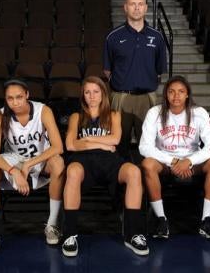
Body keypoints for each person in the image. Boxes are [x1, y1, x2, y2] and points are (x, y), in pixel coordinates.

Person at [0, 78, 64, 262]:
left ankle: (52, 225)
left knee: (59, 163)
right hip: (13, 159)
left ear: (27, 95)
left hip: (39, 158)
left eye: (19, 97)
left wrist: (29, 165)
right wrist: (14, 171)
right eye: (10, 98)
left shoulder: (43, 111)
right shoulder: (0, 116)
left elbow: (58, 147)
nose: (15, 102)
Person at [62, 76, 149, 257]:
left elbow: (115, 139)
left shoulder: (114, 115)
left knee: (133, 172)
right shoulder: (76, 117)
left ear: (103, 94)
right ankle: (69, 234)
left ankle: (133, 234)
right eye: (87, 92)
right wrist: (101, 144)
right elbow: (70, 145)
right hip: (83, 161)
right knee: (72, 171)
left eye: (96, 92)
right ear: (82, 95)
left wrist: (85, 139)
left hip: (109, 162)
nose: (92, 96)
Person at [139, 76, 210, 239]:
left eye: (181, 92)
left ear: (187, 95)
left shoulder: (199, 113)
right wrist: (173, 161)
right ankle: (161, 219)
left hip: (193, 162)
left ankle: (206, 221)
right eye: (171, 92)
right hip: (165, 163)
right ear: (165, 95)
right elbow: (144, 147)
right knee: (148, 164)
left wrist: (189, 161)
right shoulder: (154, 113)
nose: (176, 96)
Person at [103, 0, 167, 160]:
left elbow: (160, 70)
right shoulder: (113, 37)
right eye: (132, 4)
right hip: (121, 96)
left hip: (148, 98)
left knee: (148, 145)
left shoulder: (157, 37)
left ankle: (145, 182)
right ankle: (121, 182)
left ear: (146, 8)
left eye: (140, 4)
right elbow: (107, 70)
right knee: (118, 143)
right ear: (125, 7)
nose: (136, 8)